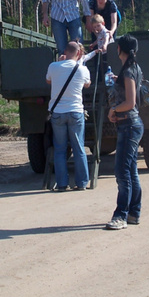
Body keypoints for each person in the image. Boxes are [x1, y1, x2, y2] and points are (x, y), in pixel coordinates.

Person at [46, 42, 98, 191]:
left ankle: (62, 184)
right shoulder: (83, 70)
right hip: (75, 111)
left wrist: (59, 63)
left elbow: (48, 81)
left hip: (58, 113)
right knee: (78, 147)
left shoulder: (53, 66)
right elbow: (87, 85)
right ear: (79, 54)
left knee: (60, 149)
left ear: (65, 51)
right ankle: (81, 183)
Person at [105, 34, 145, 230]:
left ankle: (121, 215)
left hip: (129, 125)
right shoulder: (133, 68)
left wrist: (113, 109)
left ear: (120, 49)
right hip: (130, 124)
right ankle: (133, 213)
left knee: (122, 172)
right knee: (131, 171)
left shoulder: (128, 71)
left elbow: (130, 103)